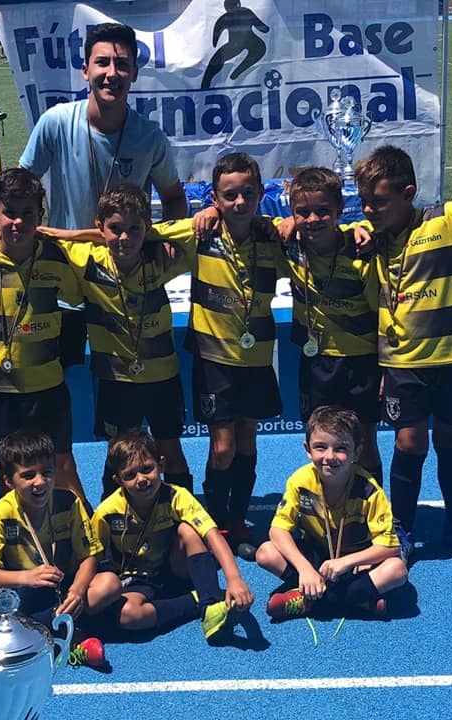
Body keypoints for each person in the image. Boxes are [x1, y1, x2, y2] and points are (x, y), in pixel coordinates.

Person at [0, 184, 196, 501]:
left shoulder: (161, 259)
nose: (124, 237)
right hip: (116, 380)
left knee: (171, 450)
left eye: (134, 229)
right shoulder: (87, 260)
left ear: (147, 228)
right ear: (100, 229)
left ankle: (181, 517)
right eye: (115, 230)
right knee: (119, 455)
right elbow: (43, 235)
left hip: (162, 377)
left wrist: (156, 237)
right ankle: (113, 526)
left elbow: (195, 229)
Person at [352, 146, 452, 567]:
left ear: (409, 193)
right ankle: (402, 528)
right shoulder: (372, 239)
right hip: (403, 363)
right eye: (366, 202)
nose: (370, 209)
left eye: (380, 201)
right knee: (409, 443)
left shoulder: (448, 220)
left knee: (451, 440)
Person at [0, 169, 89, 507]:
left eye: (28, 213)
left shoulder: (57, 257)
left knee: (61, 464)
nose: (18, 222)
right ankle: (19, 537)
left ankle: (86, 535)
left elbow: (80, 291)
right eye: (9, 212)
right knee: (6, 470)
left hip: (46, 386)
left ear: (41, 215)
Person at [182, 152, 285, 558]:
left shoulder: (273, 238)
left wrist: (289, 222)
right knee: (222, 446)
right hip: (214, 361)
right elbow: (134, 234)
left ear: (261, 193)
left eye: (247, 193)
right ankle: (217, 519)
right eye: (229, 195)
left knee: (247, 439)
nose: (239, 202)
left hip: (256, 359)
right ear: (214, 197)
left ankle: (238, 517)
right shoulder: (200, 234)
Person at [0, 430, 122, 668]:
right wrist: (28, 577)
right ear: (8, 481)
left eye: (47, 473)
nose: (40, 482)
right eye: (28, 475)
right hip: (23, 592)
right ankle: (67, 634)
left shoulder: (70, 501)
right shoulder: (0, 513)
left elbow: (90, 556)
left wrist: (77, 590)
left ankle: (30, 633)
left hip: (63, 588)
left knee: (110, 584)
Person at [19, 22, 186, 229]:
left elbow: (174, 200)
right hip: (65, 257)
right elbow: (17, 191)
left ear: (134, 73)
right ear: (85, 70)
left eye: (122, 64)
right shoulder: (56, 122)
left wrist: (164, 239)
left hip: (127, 257)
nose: (112, 73)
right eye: (102, 62)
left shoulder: (150, 137)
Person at [93, 430, 254, 642]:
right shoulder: (107, 512)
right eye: (130, 475)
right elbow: (93, 557)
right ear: (118, 480)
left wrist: (235, 580)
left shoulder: (177, 496)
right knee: (128, 616)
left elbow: (212, 535)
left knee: (188, 529)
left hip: (175, 569)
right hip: (135, 579)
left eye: (147, 469)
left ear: (161, 465)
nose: (141, 479)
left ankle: (211, 603)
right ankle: (196, 601)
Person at [255, 406, 407, 620]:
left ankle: (310, 601)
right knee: (265, 553)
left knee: (397, 570)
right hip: (317, 556)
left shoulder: (369, 490)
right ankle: (357, 600)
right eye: (320, 447)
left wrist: (346, 562)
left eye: (341, 448)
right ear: (308, 449)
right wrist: (305, 569)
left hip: (355, 562)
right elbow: (278, 531)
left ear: (357, 452)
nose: (330, 456)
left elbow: (389, 547)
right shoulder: (299, 482)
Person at [281, 167, 382, 481]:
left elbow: (383, 316)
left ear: (339, 210)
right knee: (322, 442)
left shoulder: (362, 252)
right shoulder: (287, 246)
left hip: (362, 362)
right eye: (303, 212)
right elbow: (251, 223)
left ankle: (370, 511)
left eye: (323, 211)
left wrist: (387, 369)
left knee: (363, 441)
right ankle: (327, 512)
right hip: (317, 362)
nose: (313, 219)